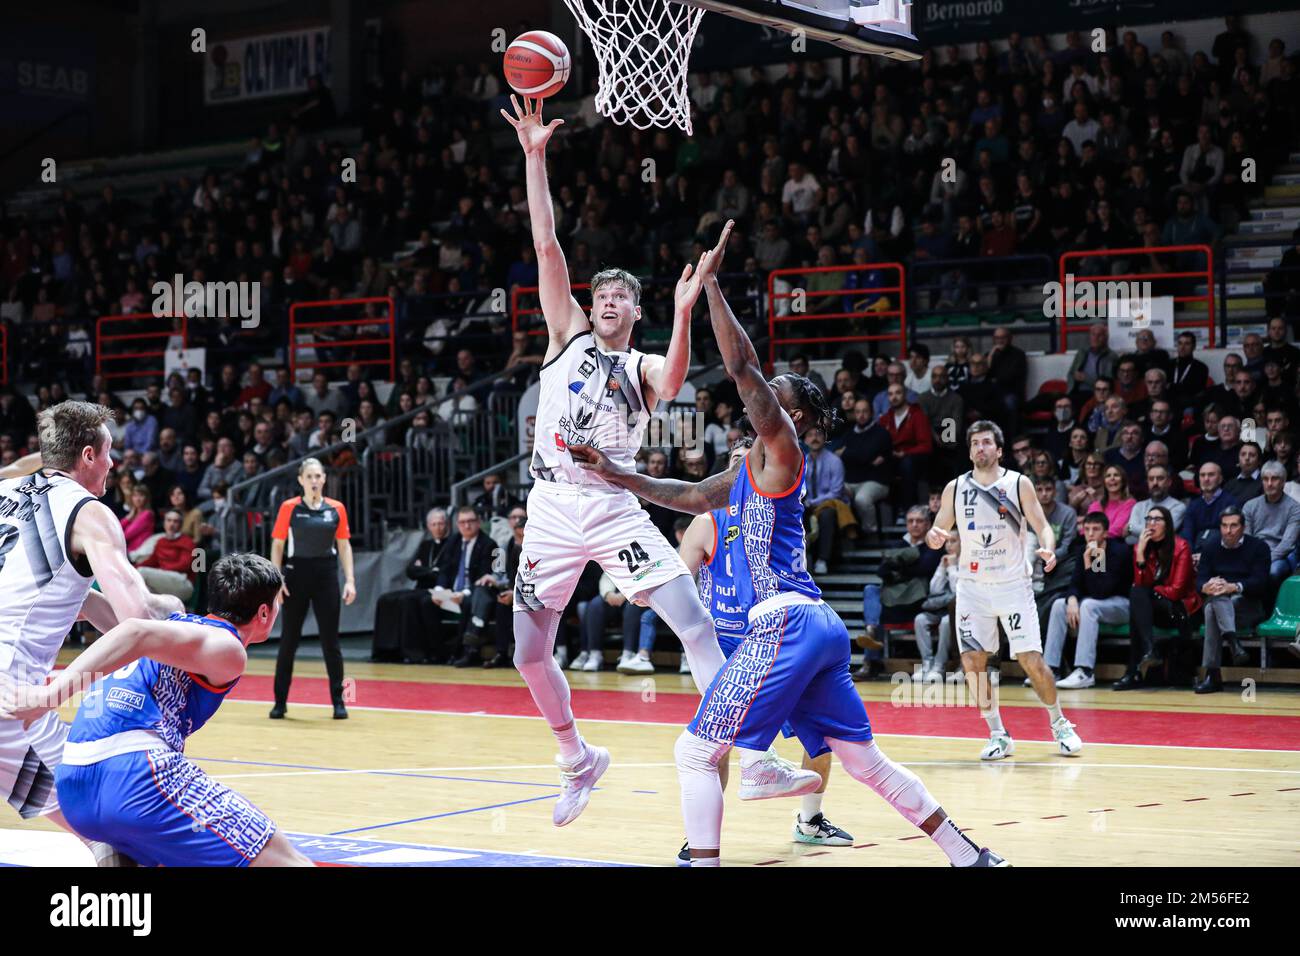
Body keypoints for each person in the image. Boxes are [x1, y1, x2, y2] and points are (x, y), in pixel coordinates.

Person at [573, 223, 1008, 868]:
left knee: (694, 752)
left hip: (782, 624)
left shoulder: (782, 449)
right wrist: (616, 475)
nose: (763, 394)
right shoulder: (747, 470)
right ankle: (967, 854)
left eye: (778, 394)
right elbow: (689, 497)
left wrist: (711, 288)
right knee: (866, 762)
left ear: (793, 416)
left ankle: (715, 843)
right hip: (814, 627)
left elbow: (742, 367)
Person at [499, 97, 728, 827]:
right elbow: (545, 244)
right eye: (602, 292)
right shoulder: (564, 333)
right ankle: (577, 758)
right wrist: (535, 157)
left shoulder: (643, 366)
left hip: (612, 505)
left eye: (623, 296)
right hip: (550, 509)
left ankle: (742, 750)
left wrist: (688, 315)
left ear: (635, 312)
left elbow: (674, 382)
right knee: (528, 655)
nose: (609, 300)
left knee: (692, 624)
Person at [2, 553, 311, 866]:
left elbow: (86, 602)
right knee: (283, 858)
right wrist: (49, 695)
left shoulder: (173, 628)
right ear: (263, 612)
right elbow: (135, 630)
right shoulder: (226, 647)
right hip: (135, 775)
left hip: (74, 783)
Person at [0, 402, 184, 866]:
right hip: (9, 698)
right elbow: (138, 619)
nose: (113, 463)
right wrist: (177, 615)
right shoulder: (89, 513)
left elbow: (75, 599)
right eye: (108, 453)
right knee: (118, 835)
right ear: (87, 455)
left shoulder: (7, 492)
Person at [673, 438, 854, 861]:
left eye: (750, 463)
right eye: (736, 464)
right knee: (711, 746)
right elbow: (681, 582)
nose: (743, 471)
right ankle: (698, 836)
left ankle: (810, 821)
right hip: (729, 646)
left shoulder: (773, 514)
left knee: (819, 736)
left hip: (782, 638)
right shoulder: (708, 520)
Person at [927, 420, 1083, 760]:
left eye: (987, 443)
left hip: (1012, 586)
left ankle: (1059, 723)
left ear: (999, 450)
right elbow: (938, 528)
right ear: (969, 450)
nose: (980, 448)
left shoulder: (1018, 484)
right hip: (972, 588)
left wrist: (1048, 548)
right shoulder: (956, 487)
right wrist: (934, 536)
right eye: (975, 443)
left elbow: (1043, 527)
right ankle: (998, 733)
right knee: (972, 661)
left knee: (1031, 660)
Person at [268, 457, 356, 720]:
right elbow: (277, 545)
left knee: (331, 642)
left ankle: (339, 703)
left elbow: (344, 545)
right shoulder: (289, 508)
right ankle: (279, 703)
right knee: (289, 641)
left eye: (318, 476)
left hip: (326, 576)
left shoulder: (337, 508)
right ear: (301, 480)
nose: (314, 481)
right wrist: (277, 579)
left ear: (324, 479)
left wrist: (350, 579)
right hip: (296, 576)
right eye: (310, 477)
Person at [1114, 506, 1201, 690]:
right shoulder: (1141, 547)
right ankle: (1147, 653)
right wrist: (1140, 556)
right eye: (1148, 519)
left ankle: (1134, 670)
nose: (1151, 523)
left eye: (1157, 519)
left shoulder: (1181, 546)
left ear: (1167, 524)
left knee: (1139, 600)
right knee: (1138, 595)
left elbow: (1177, 591)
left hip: (1179, 610)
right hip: (1154, 609)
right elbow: (1141, 582)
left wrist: (1154, 590)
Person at [1044, 512, 1132, 689]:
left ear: (1106, 533)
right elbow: (1075, 584)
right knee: (1059, 605)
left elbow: (1101, 591)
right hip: (1097, 602)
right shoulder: (1088, 549)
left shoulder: (1118, 552)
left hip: (1122, 605)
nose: (1090, 534)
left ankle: (1085, 671)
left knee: (1088, 605)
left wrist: (1087, 562)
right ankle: (1050, 669)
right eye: (1087, 529)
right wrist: (1072, 599)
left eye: (1096, 529)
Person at [1194, 507, 1271, 694]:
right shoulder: (1211, 546)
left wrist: (1234, 586)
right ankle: (1233, 642)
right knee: (1214, 604)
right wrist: (1206, 586)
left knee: (1212, 607)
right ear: (1219, 527)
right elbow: (1200, 579)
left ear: (1243, 527)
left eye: (1234, 526)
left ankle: (1213, 675)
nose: (1228, 531)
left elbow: (1261, 582)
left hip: (1249, 605)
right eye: (1224, 526)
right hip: (1221, 604)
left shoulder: (1259, 547)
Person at [371, 507, 451, 663]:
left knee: (407, 601)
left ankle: (414, 653)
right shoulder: (426, 545)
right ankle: (386, 651)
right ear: (428, 526)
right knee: (386, 599)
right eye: (434, 524)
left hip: (439, 591)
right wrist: (431, 571)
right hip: (421, 589)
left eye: (441, 524)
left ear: (447, 524)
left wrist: (424, 570)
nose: (438, 528)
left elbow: (445, 572)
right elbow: (411, 570)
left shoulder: (452, 544)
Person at [433, 506, 498, 667]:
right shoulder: (453, 541)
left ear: (479, 522)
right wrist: (439, 591)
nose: (466, 526)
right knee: (426, 602)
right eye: (462, 522)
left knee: (468, 602)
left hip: (473, 590)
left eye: (470, 521)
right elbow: (445, 570)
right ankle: (432, 653)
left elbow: (483, 576)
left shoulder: (489, 544)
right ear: (457, 524)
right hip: (451, 592)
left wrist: (463, 594)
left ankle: (463, 651)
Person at [804, 426, 855, 575]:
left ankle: (823, 560)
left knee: (827, 514)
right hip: (809, 504)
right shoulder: (802, 461)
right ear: (805, 440)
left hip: (831, 503)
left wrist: (812, 502)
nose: (815, 438)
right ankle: (802, 561)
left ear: (825, 438)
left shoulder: (834, 461)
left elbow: (836, 491)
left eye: (819, 434)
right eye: (811, 434)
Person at [838, 397, 892, 533]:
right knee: (835, 495)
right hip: (850, 482)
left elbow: (865, 454)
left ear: (872, 413)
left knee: (862, 499)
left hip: (876, 482)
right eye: (858, 412)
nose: (861, 415)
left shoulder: (881, 433)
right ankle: (849, 533)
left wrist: (848, 453)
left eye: (865, 411)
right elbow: (840, 454)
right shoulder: (849, 434)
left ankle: (870, 533)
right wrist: (865, 457)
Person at [1243, 461, 1300, 589]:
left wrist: (1264, 560)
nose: (1269, 483)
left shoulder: (1295, 508)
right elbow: (1246, 538)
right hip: (1253, 554)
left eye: (1274, 479)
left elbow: (1287, 543)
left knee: (1272, 572)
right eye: (1265, 479)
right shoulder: (1250, 505)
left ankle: (1269, 607)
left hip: (1279, 556)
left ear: (1283, 481)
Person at [1182, 462, 1239, 553]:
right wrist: (1190, 555)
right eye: (1202, 475)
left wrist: (1206, 558)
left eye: (1211, 475)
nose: (1206, 479)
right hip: (1195, 553)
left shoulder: (1231, 503)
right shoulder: (1193, 505)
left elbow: (1230, 535)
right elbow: (1187, 534)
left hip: (1220, 555)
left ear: (1220, 479)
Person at [1127, 464, 1187, 543]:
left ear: (1169, 482)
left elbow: (1165, 531)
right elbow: (1130, 527)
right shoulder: (1139, 506)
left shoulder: (1178, 507)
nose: (1155, 483)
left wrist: (1136, 530)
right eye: (1151, 479)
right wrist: (1154, 530)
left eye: (1160, 479)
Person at [1067, 322, 1116, 402]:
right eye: (1093, 334)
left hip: (1097, 394)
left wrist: (1085, 379)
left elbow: (1108, 383)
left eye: (1099, 335)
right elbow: (1070, 373)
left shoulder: (1110, 357)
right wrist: (1072, 382)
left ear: (1106, 338)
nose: (1095, 338)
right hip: (1076, 392)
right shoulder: (1082, 352)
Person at [1087, 465, 1137, 539]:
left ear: (1123, 481)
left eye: (1116, 475)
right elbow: (1087, 527)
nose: (1112, 478)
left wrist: (1096, 535)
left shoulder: (1130, 503)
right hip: (1092, 542)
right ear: (1104, 482)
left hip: (1114, 543)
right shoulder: (1096, 505)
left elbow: (1118, 529)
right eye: (1108, 476)